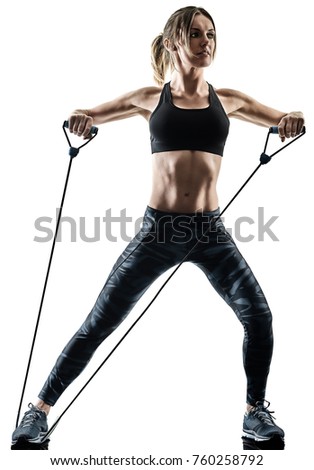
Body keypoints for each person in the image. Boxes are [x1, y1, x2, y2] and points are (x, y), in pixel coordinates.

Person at [12, 5, 304, 446]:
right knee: (100, 322)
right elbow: (88, 113)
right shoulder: (150, 98)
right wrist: (80, 120)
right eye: (196, 35)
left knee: (258, 316)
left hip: (210, 233)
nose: (206, 42)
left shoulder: (229, 99)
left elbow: (285, 120)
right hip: (158, 233)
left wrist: (293, 120)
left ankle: (254, 413)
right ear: (173, 43)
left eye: (210, 34)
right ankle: (38, 412)